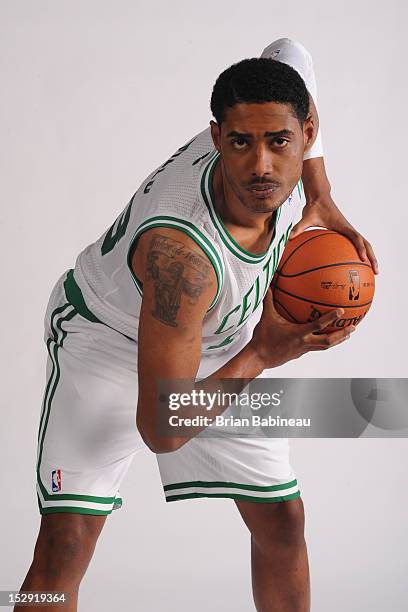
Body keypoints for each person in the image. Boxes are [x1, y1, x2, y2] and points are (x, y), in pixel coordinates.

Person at [16, 39, 378, 612]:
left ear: (307, 130)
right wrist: (262, 354)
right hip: (106, 342)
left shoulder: (267, 121)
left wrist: (320, 190)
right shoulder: (181, 258)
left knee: (282, 521)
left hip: (213, 339)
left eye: (279, 141)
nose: (261, 164)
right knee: (65, 544)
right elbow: (162, 427)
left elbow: (290, 51)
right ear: (217, 137)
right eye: (241, 143)